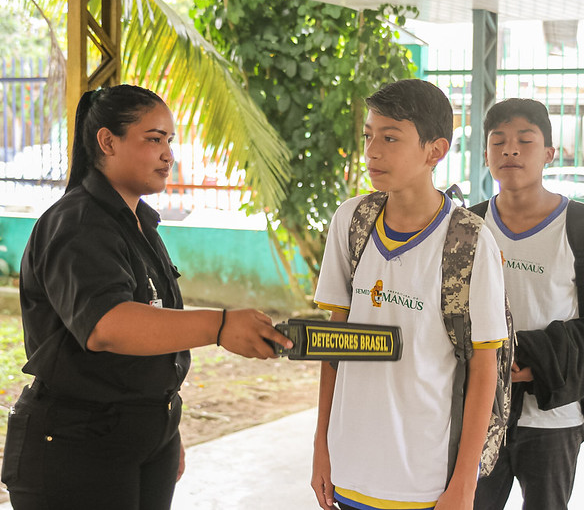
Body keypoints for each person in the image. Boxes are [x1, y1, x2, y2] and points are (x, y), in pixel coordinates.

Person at [0, 85, 293, 510]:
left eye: (169, 141)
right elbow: (109, 326)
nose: (168, 154)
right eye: (154, 139)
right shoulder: (78, 223)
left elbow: (153, 323)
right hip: (77, 445)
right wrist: (220, 325)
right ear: (107, 141)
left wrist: (163, 429)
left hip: (139, 439)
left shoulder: (139, 222)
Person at [310, 79, 508, 510]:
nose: (372, 150)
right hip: (350, 469)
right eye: (368, 136)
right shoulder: (352, 221)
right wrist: (321, 448)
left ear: (434, 151)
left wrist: (464, 482)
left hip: (425, 483)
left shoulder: (469, 242)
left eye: (390, 138)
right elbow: (335, 347)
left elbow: (484, 368)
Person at [471, 98, 584, 510]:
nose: (510, 150)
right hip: (480, 411)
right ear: (486, 153)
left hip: (555, 413)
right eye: (498, 141)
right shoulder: (469, 226)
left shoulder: (581, 223)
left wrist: (546, 362)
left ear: (549, 154)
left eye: (524, 140)